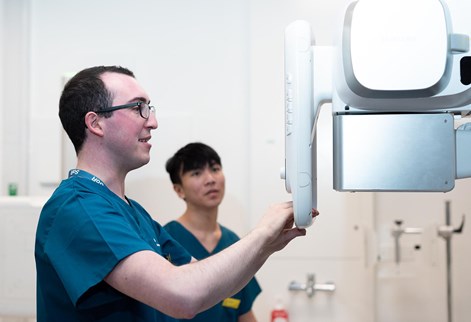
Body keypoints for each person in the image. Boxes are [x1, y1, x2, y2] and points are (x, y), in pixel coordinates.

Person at [34, 65, 319, 322]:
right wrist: (260, 234)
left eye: (150, 107)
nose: (153, 121)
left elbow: (204, 281)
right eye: (137, 108)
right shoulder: (80, 208)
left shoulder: (132, 212)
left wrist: (267, 244)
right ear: (96, 123)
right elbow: (183, 296)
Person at [164, 142, 260, 322]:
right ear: (179, 190)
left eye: (215, 169)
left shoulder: (233, 243)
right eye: (196, 173)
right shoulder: (165, 241)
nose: (210, 179)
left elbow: (244, 311)